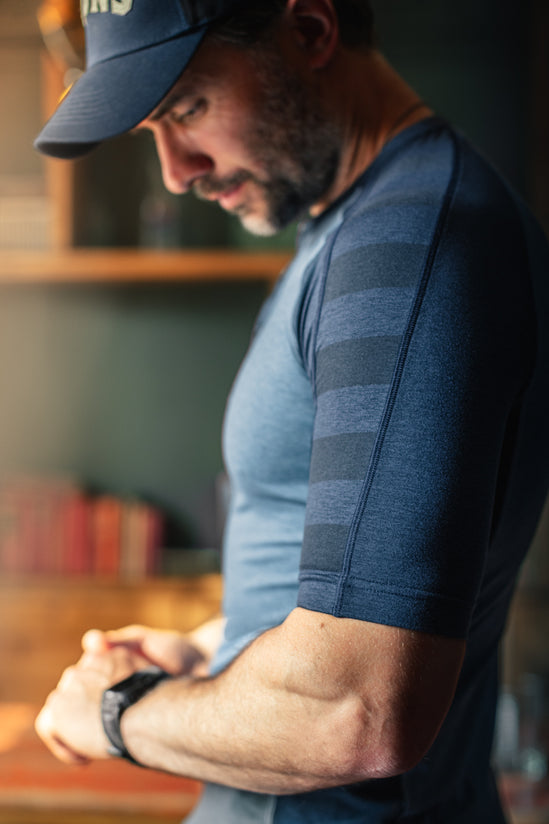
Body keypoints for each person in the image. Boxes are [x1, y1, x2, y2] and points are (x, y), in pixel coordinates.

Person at [34, 1, 549, 822]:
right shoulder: (359, 226)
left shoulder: (409, 246)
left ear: (308, 29)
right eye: (151, 131)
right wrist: (210, 650)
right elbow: (364, 587)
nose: (175, 169)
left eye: (188, 108)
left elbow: (355, 711)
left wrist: (116, 713)